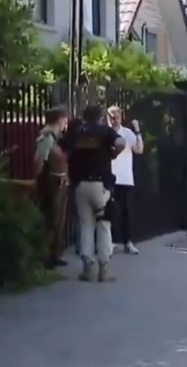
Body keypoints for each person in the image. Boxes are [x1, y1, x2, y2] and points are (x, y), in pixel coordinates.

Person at [61, 105, 126, 282]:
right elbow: (121, 143)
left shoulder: (76, 132)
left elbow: (62, 150)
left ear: (84, 115)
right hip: (101, 185)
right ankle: (104, 269)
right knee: (104, 225)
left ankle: (87, 268)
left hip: (80, 184)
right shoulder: (105, 131)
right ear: (99, 117)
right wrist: (113, 154)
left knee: (85, 225)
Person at [33, 107, 69, 269]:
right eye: (65, 120)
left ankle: (54, 254)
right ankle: (46, 255)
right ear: (59, 119)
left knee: (57, 220)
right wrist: (39, 179)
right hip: (52, 184)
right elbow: (39, 160)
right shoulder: (47, 137)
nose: (66, 123)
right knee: (51, 219)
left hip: (58, 183)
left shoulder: (54, 138)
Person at [106, 105, 144, 255]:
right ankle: (112, 241)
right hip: (109, 177)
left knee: (126, 212)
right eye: (112, 117)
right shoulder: (105, 134)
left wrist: (137, 131)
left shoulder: (127, 133)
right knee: (110, 211)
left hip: (125, 178)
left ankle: (128, 241)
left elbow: (139, 150)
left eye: (117, 117)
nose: (114, 120)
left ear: (121, 118)